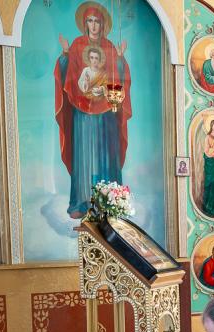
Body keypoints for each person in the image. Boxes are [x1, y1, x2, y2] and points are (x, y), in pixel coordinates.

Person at [54, 2, 131, 218]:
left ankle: (109, 203)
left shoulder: (109, 46)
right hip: (82, 113)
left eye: (97, 21)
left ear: (103, 24)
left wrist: (120, 59)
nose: (94, 25)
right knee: (84, 154)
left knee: (105, 154)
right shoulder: (77, 44)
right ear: (85, 23)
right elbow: (66, 73)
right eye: (90, 21)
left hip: (106, 114)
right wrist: (65, 54)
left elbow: (120, 78)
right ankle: (81, 202)